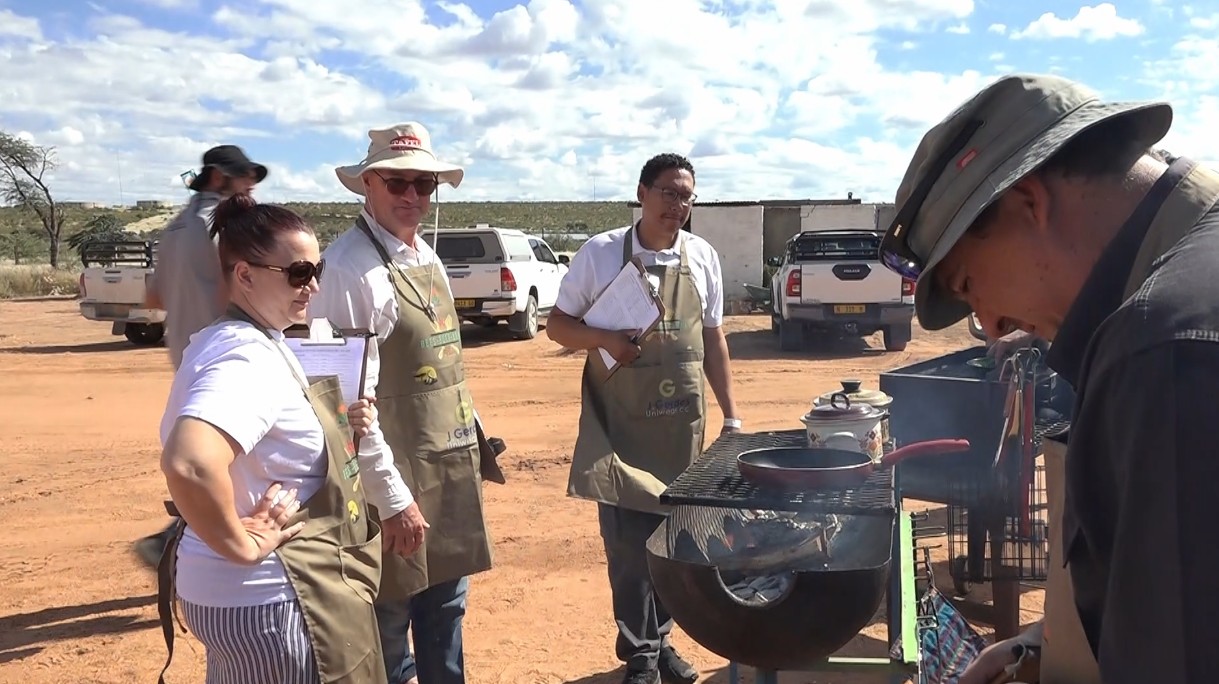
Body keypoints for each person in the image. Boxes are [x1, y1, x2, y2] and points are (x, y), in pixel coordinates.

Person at [880, 72, 1219, 682]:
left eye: (969, 286)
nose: (990, 326)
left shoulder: (1163, 348)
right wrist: (1040, 645)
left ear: (1029, 204)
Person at [157, 193, 387, 684]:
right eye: (298, 273)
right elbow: (191, 463)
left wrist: (340, 425)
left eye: (317, 270)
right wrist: (241, 544)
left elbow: (265, 447)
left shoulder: (245, 340)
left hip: (247, 596)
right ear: (245, 275)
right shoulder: (246, 357)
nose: (313, 286)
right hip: (271, 597)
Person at [308, 122, 497, 684]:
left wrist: (476, 440)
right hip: (391, 479)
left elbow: (447, 369)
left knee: (446, 614)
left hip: (448, 468)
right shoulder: (348, 269)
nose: (412, 195)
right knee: (389, 620)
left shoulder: (426, 257)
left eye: (424, 183)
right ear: (368, 184)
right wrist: (391, 500)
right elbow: (344, 402)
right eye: (397, 182)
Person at [547, 152, 742, 684]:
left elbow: (713, 339)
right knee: (630, 550)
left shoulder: (702, 257)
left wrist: (731, 415)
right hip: (621, 429)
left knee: (675, 546)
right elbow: (558, 326)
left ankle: (660, 641)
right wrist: (605, 339)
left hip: (682, 431)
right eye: (668, 193)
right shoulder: (601, 254)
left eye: (687, 197)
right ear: (641, 193)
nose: (677, 205)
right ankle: (640, 656)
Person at [136, 144, 269, 570]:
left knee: (222, 460)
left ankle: (176, 541)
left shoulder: (175, 228)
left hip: (189, 358)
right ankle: (176, 542)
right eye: (243, 176)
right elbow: (246, 285)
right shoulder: (225, 226)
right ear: (217, 177)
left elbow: (154, 296)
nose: (250, 185)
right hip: (231, 354)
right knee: (245, 463)